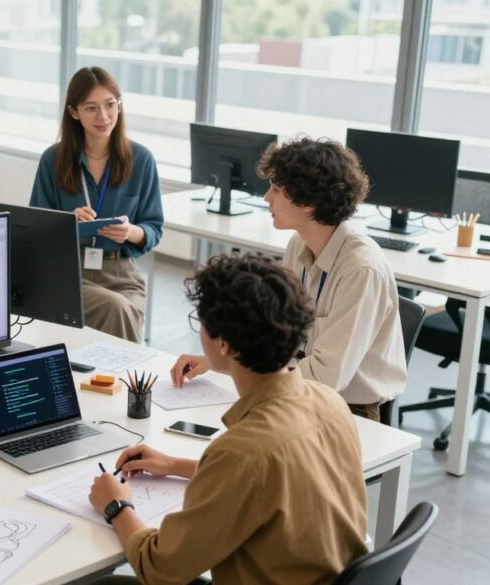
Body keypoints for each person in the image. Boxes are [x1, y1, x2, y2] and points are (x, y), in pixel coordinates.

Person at [89, 253, 367, 585]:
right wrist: (175, 464)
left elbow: (159, 568)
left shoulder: (242, 453)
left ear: (224, 344)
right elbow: (271, 483)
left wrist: (116, 506)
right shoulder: (330, 403)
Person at [171, 137, 406, 421]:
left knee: (235, 436)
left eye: (276, 189)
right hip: (296, 388)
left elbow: (327, 376)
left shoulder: (360, 269)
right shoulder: (299, 244)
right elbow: (278, 335)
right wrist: (217, 361)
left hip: (346, 409)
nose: (266, 197)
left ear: (307, 202)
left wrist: (244, 374)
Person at [29, 67, 163, 343]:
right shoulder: (52, 160)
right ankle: (130, 380)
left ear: (119, 105)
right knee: (115, 308)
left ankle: (117, 378)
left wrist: (130, 232)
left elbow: (153, 228)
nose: (103, 117)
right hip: (69, 270)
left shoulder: (141, 160)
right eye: (91, 108)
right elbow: (36, 230)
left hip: (122, 273)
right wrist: (67, 222)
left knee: (120, 305)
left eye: (110, 105)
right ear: (74, 112)